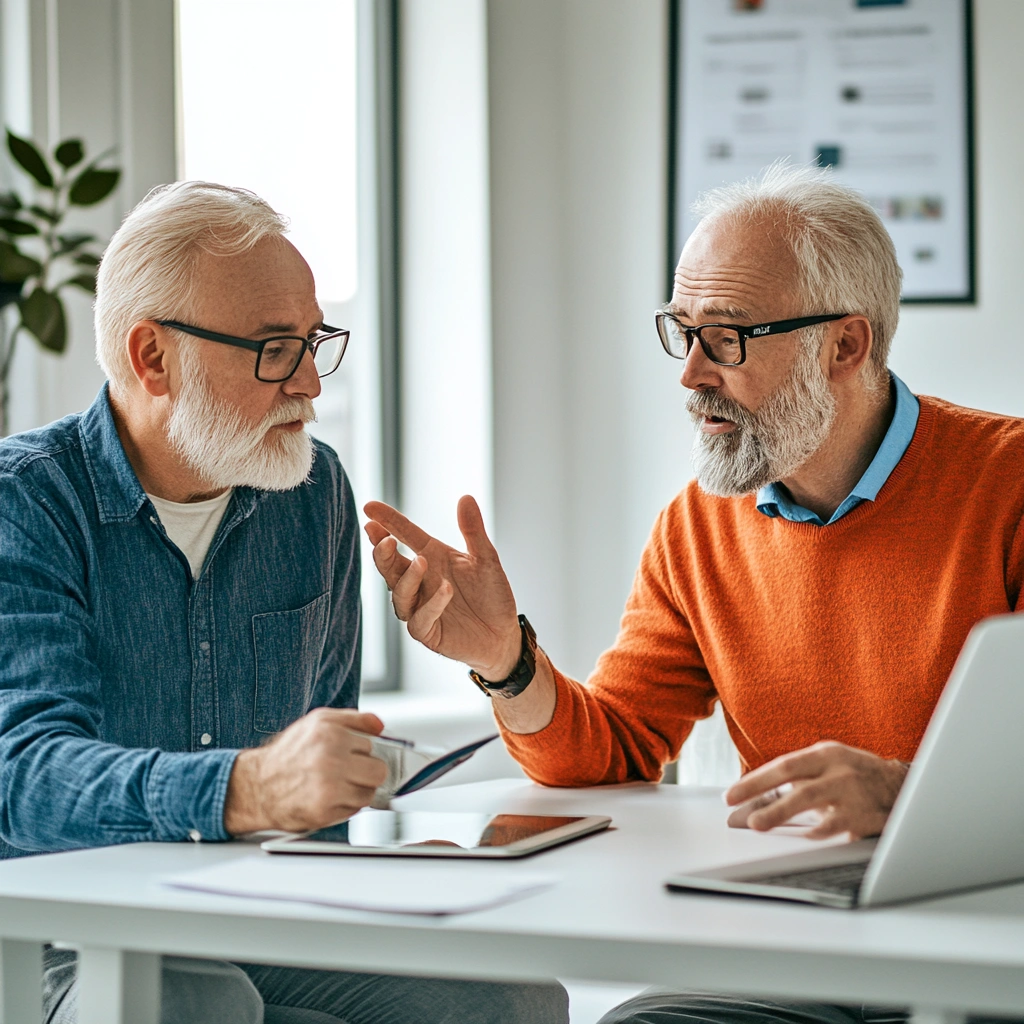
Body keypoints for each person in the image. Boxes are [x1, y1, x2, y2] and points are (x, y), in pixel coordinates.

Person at [363, 163, 1024, 1024]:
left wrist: (903, 796)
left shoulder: (1008, 486)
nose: (691, 373)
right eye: (683, 332)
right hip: (796, 941)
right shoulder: (698, 526)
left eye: (728, 338)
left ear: (845, 346)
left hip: (991, 929)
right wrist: (507, 660)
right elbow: (614, 750)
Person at [0, 181, 568, 1024]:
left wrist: (379, 878)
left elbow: (321, 786)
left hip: (261, 914)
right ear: (153, 358)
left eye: (313, 343)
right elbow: (22, 777)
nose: (308, 383)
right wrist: (247, 788)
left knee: (512, 998)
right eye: (273, 349)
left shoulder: (311, 490)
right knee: (197, 1001)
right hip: (59, 933)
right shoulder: (26, 503)